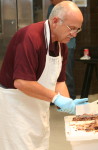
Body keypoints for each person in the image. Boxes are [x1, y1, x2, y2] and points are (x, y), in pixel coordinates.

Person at [0, 1, 87, 150]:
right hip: (15, 108)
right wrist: (56, 98)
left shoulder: (61, 46)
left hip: (38, 107)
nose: (74, 34)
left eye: (77, 30)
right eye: (71, 28)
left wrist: (69, 105)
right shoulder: (30, 37)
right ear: (55, 21)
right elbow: (22, 82)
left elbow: (59, 81)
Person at [47, 0, 76, 99]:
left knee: (66, 72)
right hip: (54, 43)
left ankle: (70, 97)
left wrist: (67, 102)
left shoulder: (70, 10)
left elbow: (61, 81)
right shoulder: (51, 8)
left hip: (67, 44)